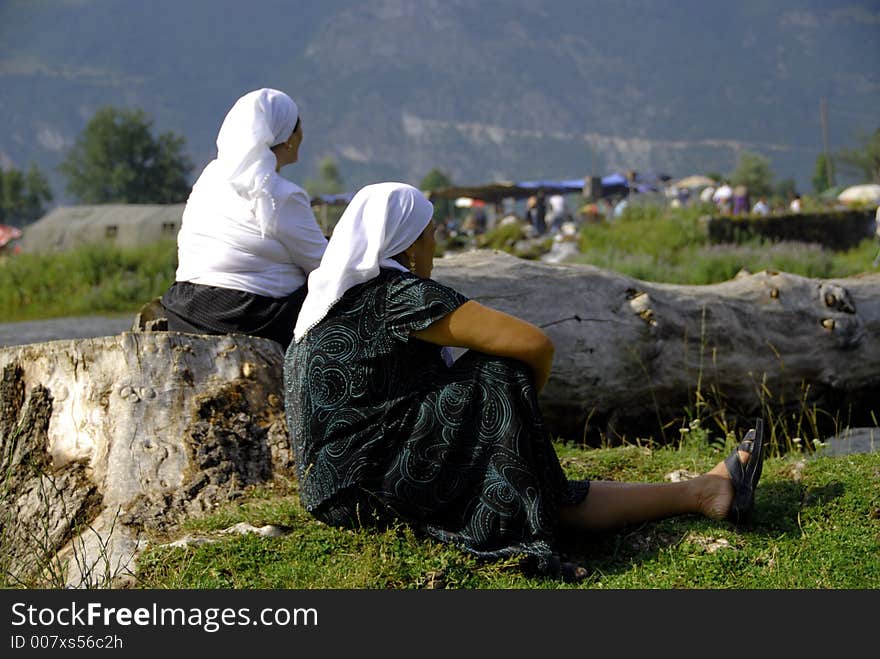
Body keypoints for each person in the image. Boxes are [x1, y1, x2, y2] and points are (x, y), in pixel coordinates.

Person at [283, 182, 767, 581]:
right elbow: (533, 344)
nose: (435, 245)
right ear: (408, 245)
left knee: (547, 490)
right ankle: (524, 534)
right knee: (501, 368)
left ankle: (703, 492)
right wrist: (509, 422)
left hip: (336, 492)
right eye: (430, 234)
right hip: (373, 484)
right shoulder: (397, 296)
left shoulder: (330, 301)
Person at [159, 88, 328, 350]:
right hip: (246, 316)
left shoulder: (210, 176)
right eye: (299, 127)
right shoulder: (282, 194)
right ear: (289, 137)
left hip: (186, 308)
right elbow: (322, 264)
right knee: (337, 289)